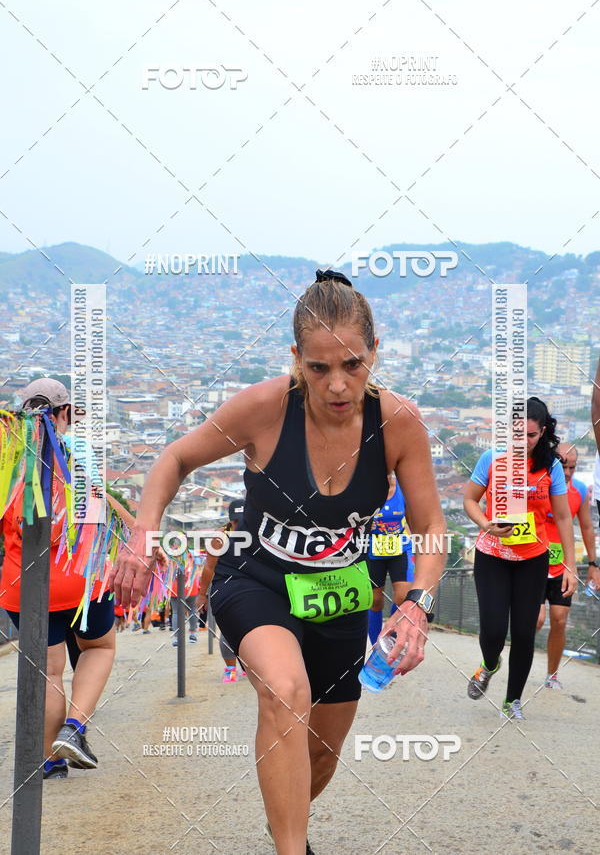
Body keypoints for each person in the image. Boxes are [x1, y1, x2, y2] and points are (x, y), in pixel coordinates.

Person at [111, 269, 446, 855]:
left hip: (339, 592)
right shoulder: (266, 407)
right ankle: (293, 848)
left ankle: (284, 825)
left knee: (321, 751)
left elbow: (431, 526)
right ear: (297, 359)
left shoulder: (398, 422)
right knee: (285, 692)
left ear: (375, 352)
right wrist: (144, 534)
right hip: (257, 579)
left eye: (353, 365)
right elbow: (174, 457)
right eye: (319, 368)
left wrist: (418, 603)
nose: (337, 385)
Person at [0, 379, 127, 778]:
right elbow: (100, 504)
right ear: (64, 413)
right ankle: (74, 728)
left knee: (49, 671)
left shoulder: (7, 460)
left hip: (23, 585)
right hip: (80, 579)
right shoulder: (77, 454)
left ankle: (49, 761)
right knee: (98, 649)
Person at [463, 396, 577, 721]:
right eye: (517, 434)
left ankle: (512, 700)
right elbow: (469, 500)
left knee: (525, 633)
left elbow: (564, 518)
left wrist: (569, 564)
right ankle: (489, 663)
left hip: (533, 560)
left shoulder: (550, 467)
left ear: (542, 433)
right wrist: (486, 524)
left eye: (529, 435)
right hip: (492, 557)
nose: (522, 441)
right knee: (494, 631)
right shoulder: (491, 458)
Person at [536, 442, 600, 688]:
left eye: (572, 467)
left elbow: (586, 527)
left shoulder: (580, 491)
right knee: (537, 620)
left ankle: (552, 675)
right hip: (535, 563)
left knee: (560, 619)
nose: (569, 473)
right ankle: (517, 658)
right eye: (564, 466)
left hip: (562, 566)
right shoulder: (541, 486)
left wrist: (593, 563)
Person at [197, 498, 247, 682]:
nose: (238, 525)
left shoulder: (257, 534)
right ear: (230, 520)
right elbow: (209, 568)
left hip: (250, 589)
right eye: (235, 522)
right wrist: (202, 595)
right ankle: (230, 668)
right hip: (225, 589)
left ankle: (247, 666)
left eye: (241, 521)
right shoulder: (220, 538)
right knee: (227, 631)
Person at [367, 473, 414, 645]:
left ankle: (389, 638)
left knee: (403, 597)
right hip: (372, 548)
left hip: (399, 546)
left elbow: (411, 519)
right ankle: (375, 646)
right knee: (375, 601)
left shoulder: (403, 488)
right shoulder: (366, 488)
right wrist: (365, 524)